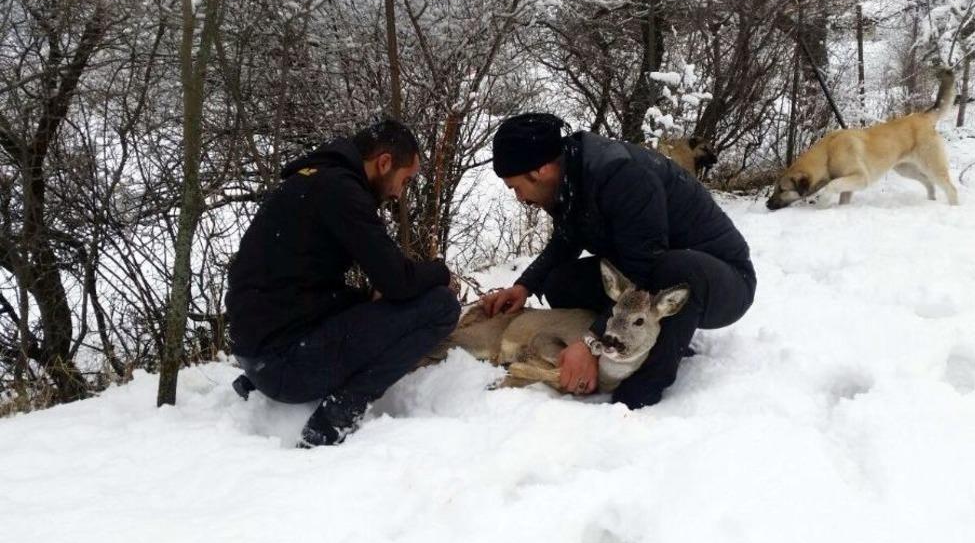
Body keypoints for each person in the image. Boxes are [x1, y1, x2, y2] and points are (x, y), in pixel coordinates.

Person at [481, 113, 756, 409]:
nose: (519, 198)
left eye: (516, 187)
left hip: (721, 282)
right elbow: (566, 240)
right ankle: (630, 341)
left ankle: (644, 385)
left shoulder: (623, 175)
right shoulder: (569, 177)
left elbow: (644, 267)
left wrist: (591, 342)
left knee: (673, 268)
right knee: (560, 282)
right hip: (652, 274)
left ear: (541, 170)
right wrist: (524, 286)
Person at [226, 120, 460, 448]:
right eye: (404, 181)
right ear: (384, 163)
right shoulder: (341, 191)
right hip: (285, 367)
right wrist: (441, 273)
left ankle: (258, 380)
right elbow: (399, 281)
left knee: (367, 300)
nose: (398, 193)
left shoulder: (313, 179)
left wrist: (376, 293)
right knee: (441, 306)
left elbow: (296, 283)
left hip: (259, 352)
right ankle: (339, 414)